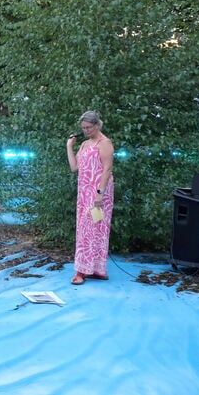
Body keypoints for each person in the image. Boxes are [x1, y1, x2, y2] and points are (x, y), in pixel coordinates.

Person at [66, 111, 114, 285]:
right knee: (85, 228)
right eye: (83, 128)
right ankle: (89, 268)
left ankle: (87, 270)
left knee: (96, 229)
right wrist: (69, 147)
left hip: (99, 192)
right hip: (84, 192)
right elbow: (74, 167)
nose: (85, 130)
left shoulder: (105, 143)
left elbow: (107, 169)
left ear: (97, 125)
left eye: (88, 127)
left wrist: (100, 194)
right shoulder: (85, 144)